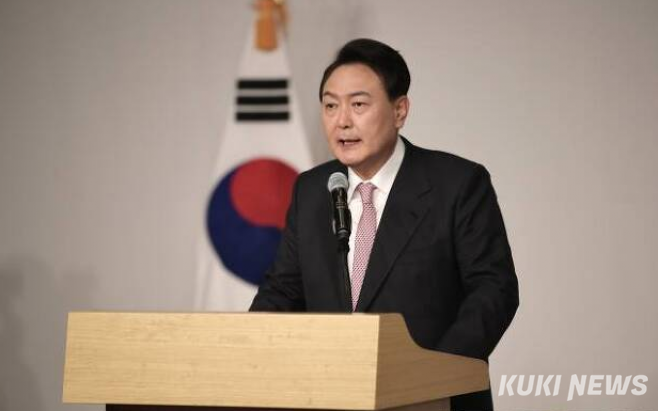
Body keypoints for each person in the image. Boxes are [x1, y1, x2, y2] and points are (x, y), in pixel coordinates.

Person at [250, 38, 519, 411]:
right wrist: (248, 349)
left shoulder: (457, 184)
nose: (342, 120)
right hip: (330, 397)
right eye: (330, 105)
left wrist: (434, 375)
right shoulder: (312, 190)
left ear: (399, 110)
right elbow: (282, 291)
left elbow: (495, 290)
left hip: (434, 400)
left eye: (358, 104)